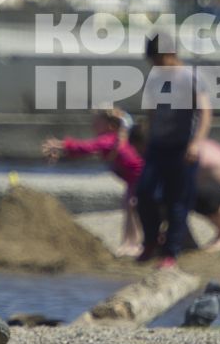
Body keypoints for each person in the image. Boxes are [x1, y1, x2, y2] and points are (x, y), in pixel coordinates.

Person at [136, 29, 211, 269]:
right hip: (157, 146)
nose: (156, 66)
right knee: (144, 193)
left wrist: (196, 142)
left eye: (159, 60)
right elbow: (150, 110)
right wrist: (146, 138)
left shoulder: (190, 77)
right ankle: (149, 242)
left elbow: (205, 113)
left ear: (171, 53)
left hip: (182, 148)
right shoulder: (156, 78)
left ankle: (171, 252)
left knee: (176, 201)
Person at [42, 106, 144, 257]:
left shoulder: (111, 139)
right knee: (128, 206)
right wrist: (62, 149)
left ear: (109, 125)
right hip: (132, 179)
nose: (93, 125)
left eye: (97, 122)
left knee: (131, 206)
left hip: (141, 176)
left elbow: (87, 147)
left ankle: (133, 244)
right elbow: (84, 151)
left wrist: (60, 144)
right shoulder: (113, 139)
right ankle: (129, 243)